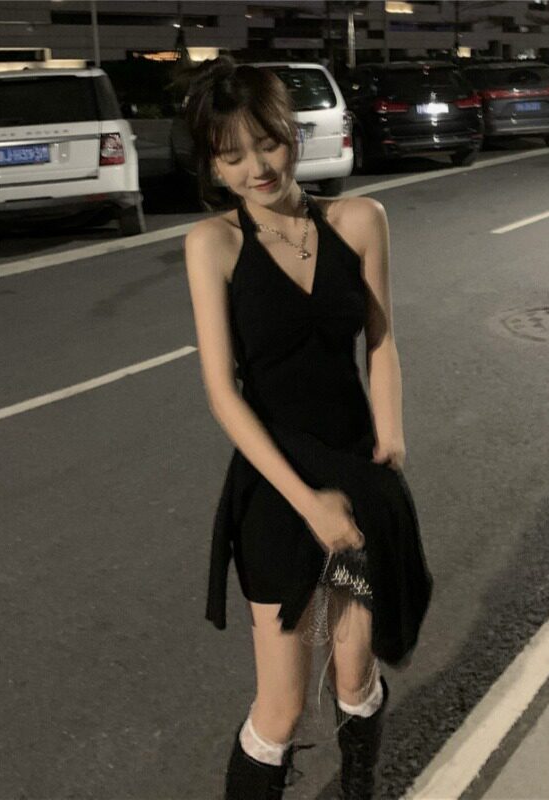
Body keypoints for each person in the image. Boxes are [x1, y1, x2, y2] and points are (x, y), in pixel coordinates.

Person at [180, 56, 433, 799]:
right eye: (233, 155)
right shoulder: (214, 244)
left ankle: (360, 783)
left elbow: (380, 340)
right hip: (276, 486)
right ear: (213, 164)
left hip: (354, 472)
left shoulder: (360, 220)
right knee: (283, 706)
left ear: (292, 135)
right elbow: (223, 394)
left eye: (268, 144)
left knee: (354, 672)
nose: (257, 168)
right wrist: (308, 503)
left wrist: (390, 436)